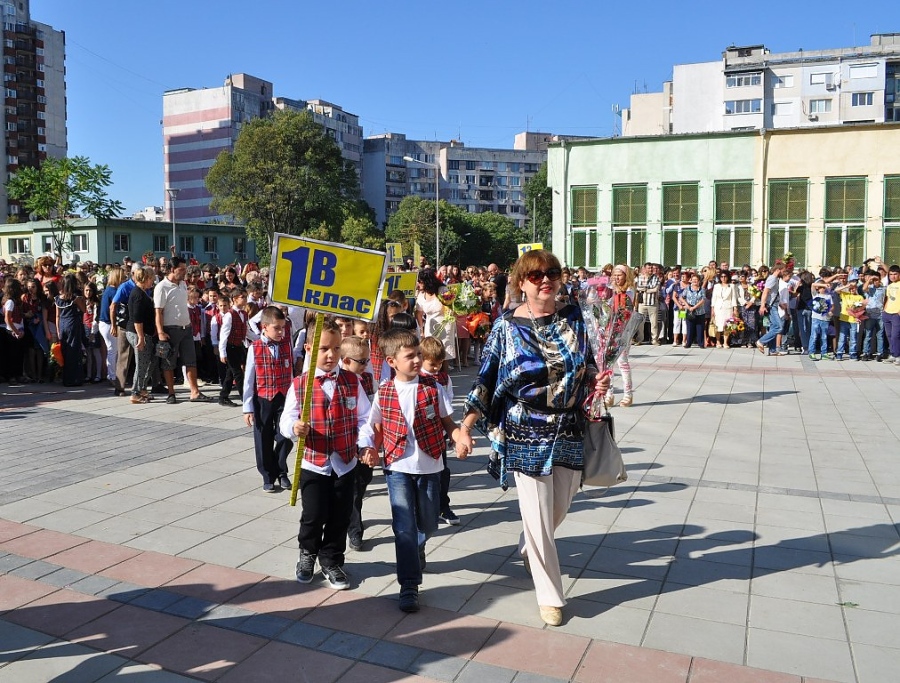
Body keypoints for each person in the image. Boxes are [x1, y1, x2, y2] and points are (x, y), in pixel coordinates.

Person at [456, 249, 607, 627]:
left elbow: (588, 363)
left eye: (552, 273)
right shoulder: (506, 327)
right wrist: (466, 426)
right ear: (521, 282)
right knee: (538, 514)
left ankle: (529, 544)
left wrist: (596, 379)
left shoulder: (577, 317)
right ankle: (550, 595)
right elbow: (486, 379)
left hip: (568, 426)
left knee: (559, 506)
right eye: (536, 275)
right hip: (525, 428)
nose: (546, 281)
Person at [358, 328, 472, 613]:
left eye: (419, 354)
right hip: (397, 466)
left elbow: (448, 423)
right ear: (392, 361)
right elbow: (372, 427)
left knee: (429, 523)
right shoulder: (384, 391)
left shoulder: (433, 387)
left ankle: (418, 545)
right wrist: (368, 447)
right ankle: (409, 585)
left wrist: (459, 438)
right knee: (403, 526)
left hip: (430, 464)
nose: (418, 360)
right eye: (410, 356)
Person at [279, 318, 371, 591]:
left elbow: (364, 417)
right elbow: (286, 419)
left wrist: (364, 443)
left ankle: (332, 559)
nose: (331, 355)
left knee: (340, 515)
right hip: (314, 463)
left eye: (336, 348)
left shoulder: (352, 381)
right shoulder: (300, 384)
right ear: (309, 348)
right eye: (323, 349)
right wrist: (294, 427)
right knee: (313, 514)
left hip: (345, 462)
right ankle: (307, 552)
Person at [243, 306, 295, 493]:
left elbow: (291, 373)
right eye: (277, 328)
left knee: (285, 435)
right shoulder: (254, 348)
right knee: (262, 437)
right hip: (263, 398)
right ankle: (267, 475)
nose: (281, 332)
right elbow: (249, 379)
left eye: (283, 328)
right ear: (264, 327)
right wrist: (247, 407)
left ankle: (281, 470)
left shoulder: (286, 345)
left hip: (284, 396)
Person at [154, 256, 214, 404]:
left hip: (186, 327)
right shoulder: (162, 287)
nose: (184, 272)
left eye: (184, 269)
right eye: (181, 269)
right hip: (170, 329)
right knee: (169, 362)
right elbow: (158, 312)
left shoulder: (183, 284)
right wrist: (160, 332)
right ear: (172, 269)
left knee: (191, 361)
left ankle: (194, 392)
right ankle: (171, 393)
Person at [420, 335, 459, 525]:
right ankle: (423, 508)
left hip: (439, 432)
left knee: (443, 472)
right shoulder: (416, 378)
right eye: (432, 364)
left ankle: (443, 506)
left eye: (439, 363)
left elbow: (448, 403)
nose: (436, 368)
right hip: (421, 433)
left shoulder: (444, 378)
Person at [341, 334, 374, 551]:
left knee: (362, 483)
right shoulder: (338, 381)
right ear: (345, 361)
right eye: (361, 361)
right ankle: (355, 529)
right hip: (344, 443)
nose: (365, 365)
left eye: (367, 360)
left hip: (364, 441)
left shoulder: (367, 378)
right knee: (352, 491)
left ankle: (352, 517)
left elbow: (370, 410)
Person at [125, 267, 157, 404]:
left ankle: (142, 388)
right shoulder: (138, 294)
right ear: (146, 278)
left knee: (150, 361)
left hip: (144, 332)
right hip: (137, 333)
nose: (153, 281)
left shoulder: (142, 292)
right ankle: (135, 392)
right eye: (152, 279)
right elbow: (137, 318)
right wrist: (141, 337)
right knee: (141, 363)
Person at [605, 264, 635, 407]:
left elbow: (624, 309)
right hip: (609, 330)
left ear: (626, 276)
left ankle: (628, 394)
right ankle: (609, 394)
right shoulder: (611, 290)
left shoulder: (629, 291)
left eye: (620, 275)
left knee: (622, 362)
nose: (616, 278)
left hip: (623, 331)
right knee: (608, 364)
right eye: (615, 275)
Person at [415, 269, 456, 370]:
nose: (418, 284)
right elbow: (419, 313)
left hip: (445, 325)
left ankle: (444, 376)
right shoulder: (421, 295)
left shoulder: (442, 290)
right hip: (430, 326)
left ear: (427, 281)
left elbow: (451, 307)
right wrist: (421, 330)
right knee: (431, 352)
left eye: (420, 281)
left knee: (443, 353)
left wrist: (451, 313)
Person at [218, 289, 249, 406]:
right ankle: (245, 399)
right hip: (230, 347)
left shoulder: (244, 314)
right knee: (238, 373)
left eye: (245, 297)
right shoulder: (229, 315)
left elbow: (246, 331)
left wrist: (259, 338)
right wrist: (222, 352)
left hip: (238, 346)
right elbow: (224, 334)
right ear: (235, 299)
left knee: (230, 373)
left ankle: (223, 396)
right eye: (243, 297)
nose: (245, 299)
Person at [55, 273, 87, 387]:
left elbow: (57, 316)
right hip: (73, 323)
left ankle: (66, 378)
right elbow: (84, 310)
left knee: (65, 351)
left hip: (63, 324)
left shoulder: (58, 299)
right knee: (74, 351)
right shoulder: (75, 298)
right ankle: (75, 378)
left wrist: (58, 330)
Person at [756, 261, 787, 356]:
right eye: (783, 271)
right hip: (771, 306)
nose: (784, 273)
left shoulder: (775, 279)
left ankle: (773, 350)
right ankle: (761, 341)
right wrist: (762, 305)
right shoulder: (772, 279)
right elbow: (765, 292)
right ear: (778, 270)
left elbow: (773, 294)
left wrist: (780, 304)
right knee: (778, 326)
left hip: (774, 305)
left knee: (773, 327)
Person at [710, 271, 739, 348]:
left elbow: (733, 298)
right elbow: (714, 298)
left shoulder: (731, 286)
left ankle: (725, 342)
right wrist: (712, 309)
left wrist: (735, 308)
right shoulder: (716, 286)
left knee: (727, 325)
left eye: (725, 276)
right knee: (717, 324)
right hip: (718, 308)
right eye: (722, 277)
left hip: (728, 307)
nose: (723, 278)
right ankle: (718, 341)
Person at [634, 262, 660, 345]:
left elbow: (656, 289)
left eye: (651, 268)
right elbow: (637, 288)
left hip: (652, 303)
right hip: (642, 303)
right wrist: (648, 289)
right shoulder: (639, 277)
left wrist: (645, 289)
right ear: (645, 269)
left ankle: (654, 339)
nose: (651, 270)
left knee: (654, 323)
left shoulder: (656, 278)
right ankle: (640, 339)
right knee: (641, 323)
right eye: (649, 268)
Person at [678, 273, 707, 349]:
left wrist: (694, 307)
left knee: (700, 328)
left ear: (699, 281)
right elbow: (681, 297)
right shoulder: (687, 289)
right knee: (690, 328)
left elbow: (703, 299)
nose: (694, 281)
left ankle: (701, 343)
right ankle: (688, 343)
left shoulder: (702, 289)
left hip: (700, 311)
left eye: (696, 280)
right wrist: (687, 306)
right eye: (693, 279)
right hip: (689, 311)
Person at [884, 264, 900, 365]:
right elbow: (888, 299)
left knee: (896, 336)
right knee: (889, 335)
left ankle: (898, 356)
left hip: (896, 314)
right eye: (891, 274)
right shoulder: (889, 286)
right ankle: (893, 354)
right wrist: (884, 310)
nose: (893, 276)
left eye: (895, 274)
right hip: (887, 313)